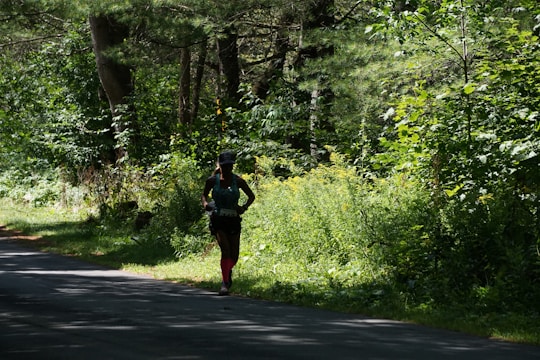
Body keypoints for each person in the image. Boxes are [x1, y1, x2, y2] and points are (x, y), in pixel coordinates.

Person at [201, 151, 255, 295]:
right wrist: (206, 204)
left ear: (232, 166)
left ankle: (227, 271)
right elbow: (204, 195)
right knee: (225, 250)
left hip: (233, 219)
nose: (227, 168)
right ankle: (224, 283)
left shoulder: (238, 181)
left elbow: (251, 196)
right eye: (225, 166)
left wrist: (243, 207)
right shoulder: (212, 180)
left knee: (234, 255)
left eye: (230, 166)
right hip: (218, 219)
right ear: (220, 166)